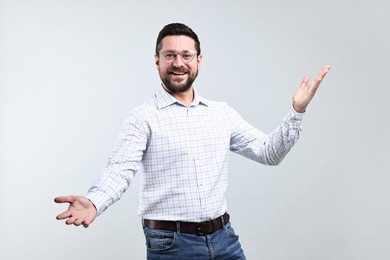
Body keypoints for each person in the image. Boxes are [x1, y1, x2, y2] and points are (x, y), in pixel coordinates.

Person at [55, 23, 330, 259]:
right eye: (169, 55)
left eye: (186, 55)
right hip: (172, 244)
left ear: (199, 60)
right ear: (157, 60)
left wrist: (297, 111)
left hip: (224, 239)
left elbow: (269, 153)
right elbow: (119, 169)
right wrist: (94, 202)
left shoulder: (221, 113)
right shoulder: (142, 117)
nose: (178, 63)